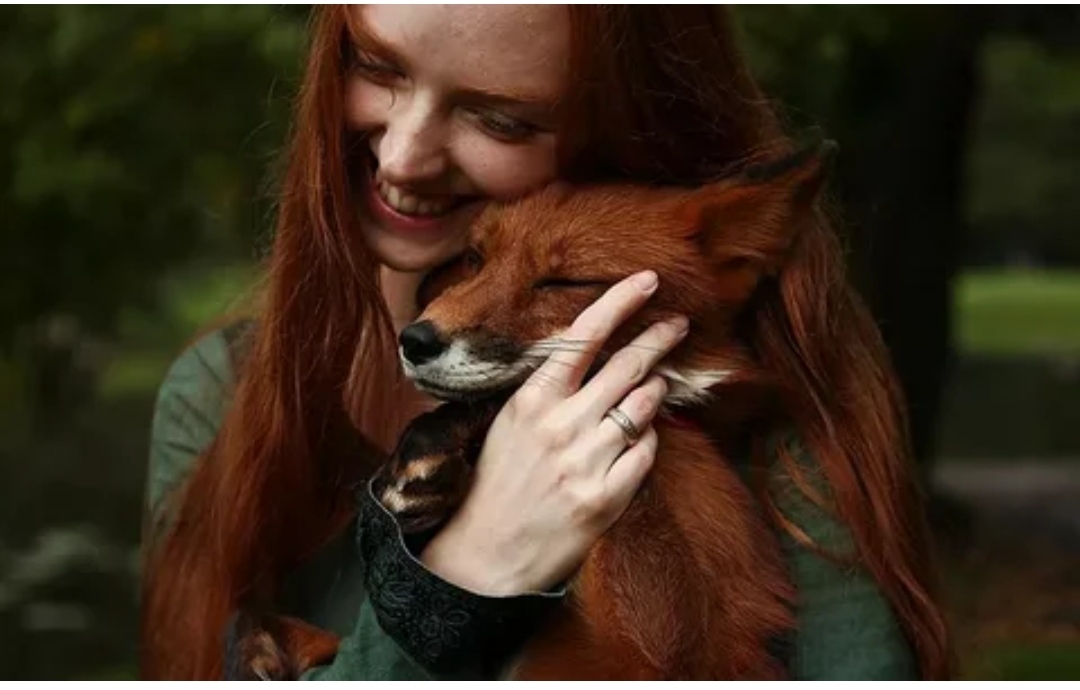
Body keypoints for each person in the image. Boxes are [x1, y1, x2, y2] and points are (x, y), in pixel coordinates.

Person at [138, 5, 953, 680]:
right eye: (379, 65)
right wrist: (457, 581)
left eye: (500, 116)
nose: (403, 155)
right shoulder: (219, 392)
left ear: (614, 125)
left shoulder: (788, 427)